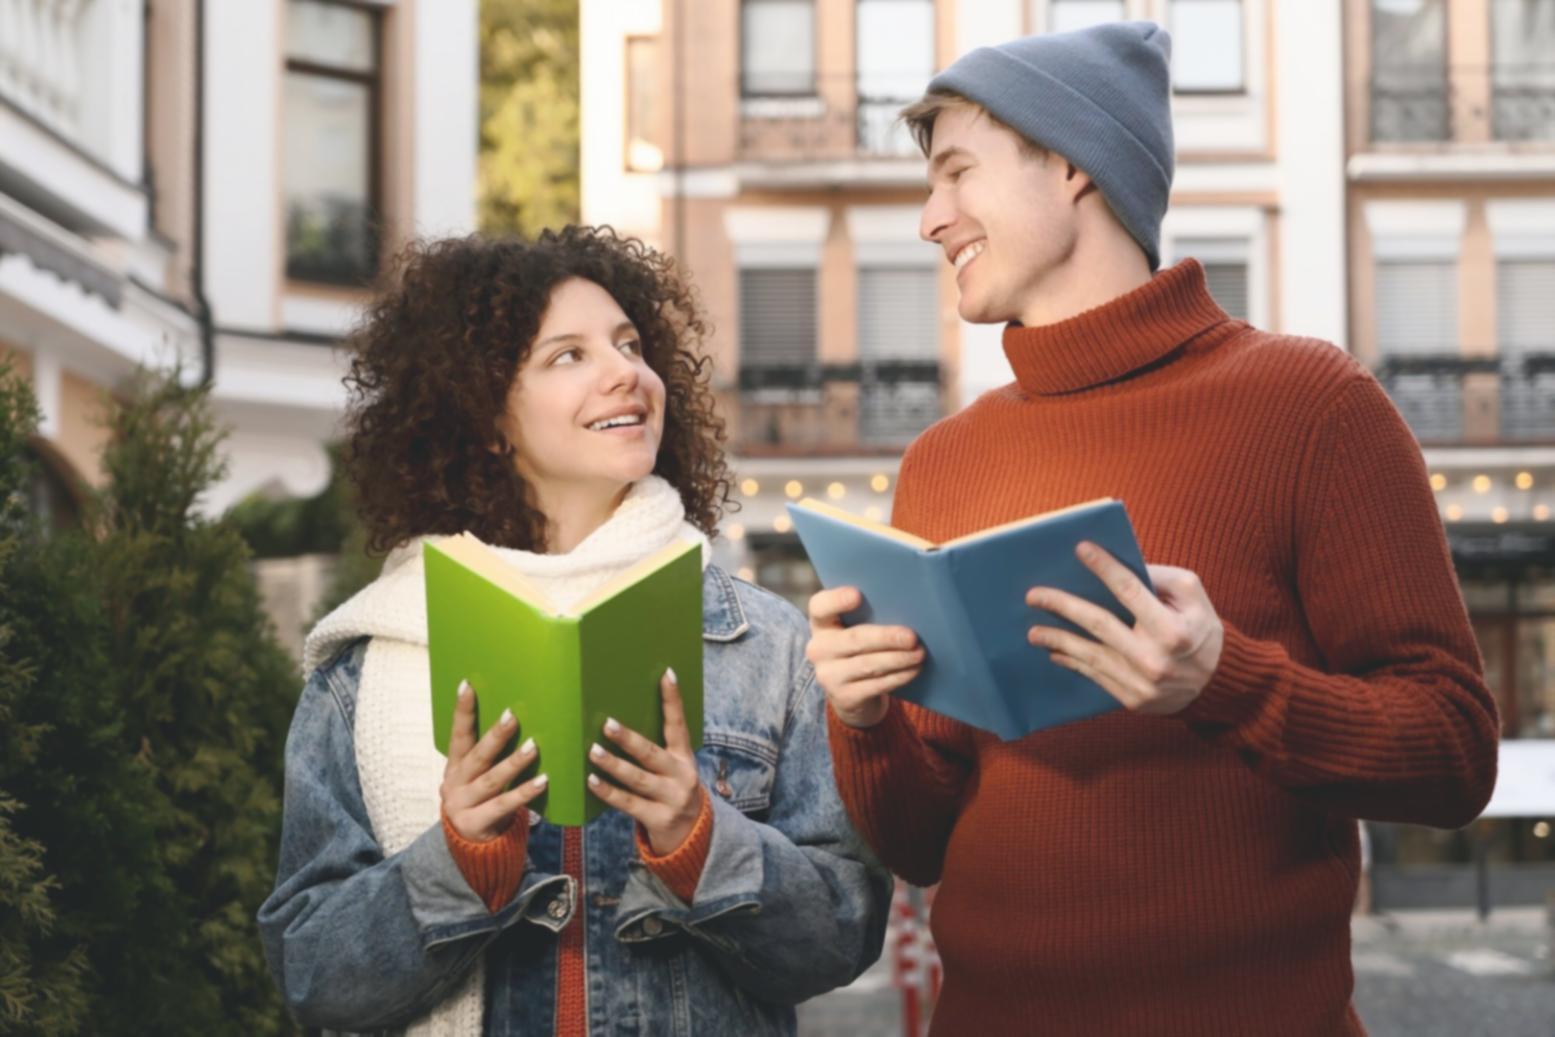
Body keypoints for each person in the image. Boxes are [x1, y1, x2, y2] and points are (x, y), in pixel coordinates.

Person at [804, 22, 1499, 1036]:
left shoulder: (1310, 405)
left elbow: (1454, 754)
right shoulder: (941, 461)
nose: (929, 218)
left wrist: (1224, 679)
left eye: (957, 173)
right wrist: (860, 722)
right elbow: (921, 842)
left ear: (1075, 165)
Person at [258, 226, 890, 1036]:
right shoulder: (366, 665)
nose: (625, 371)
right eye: (568, 355)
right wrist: (457, 861)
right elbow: (312, 974)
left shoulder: (768, 647)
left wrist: (702, 841)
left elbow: (841, 936)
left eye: (630, 344)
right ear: (487, 417)